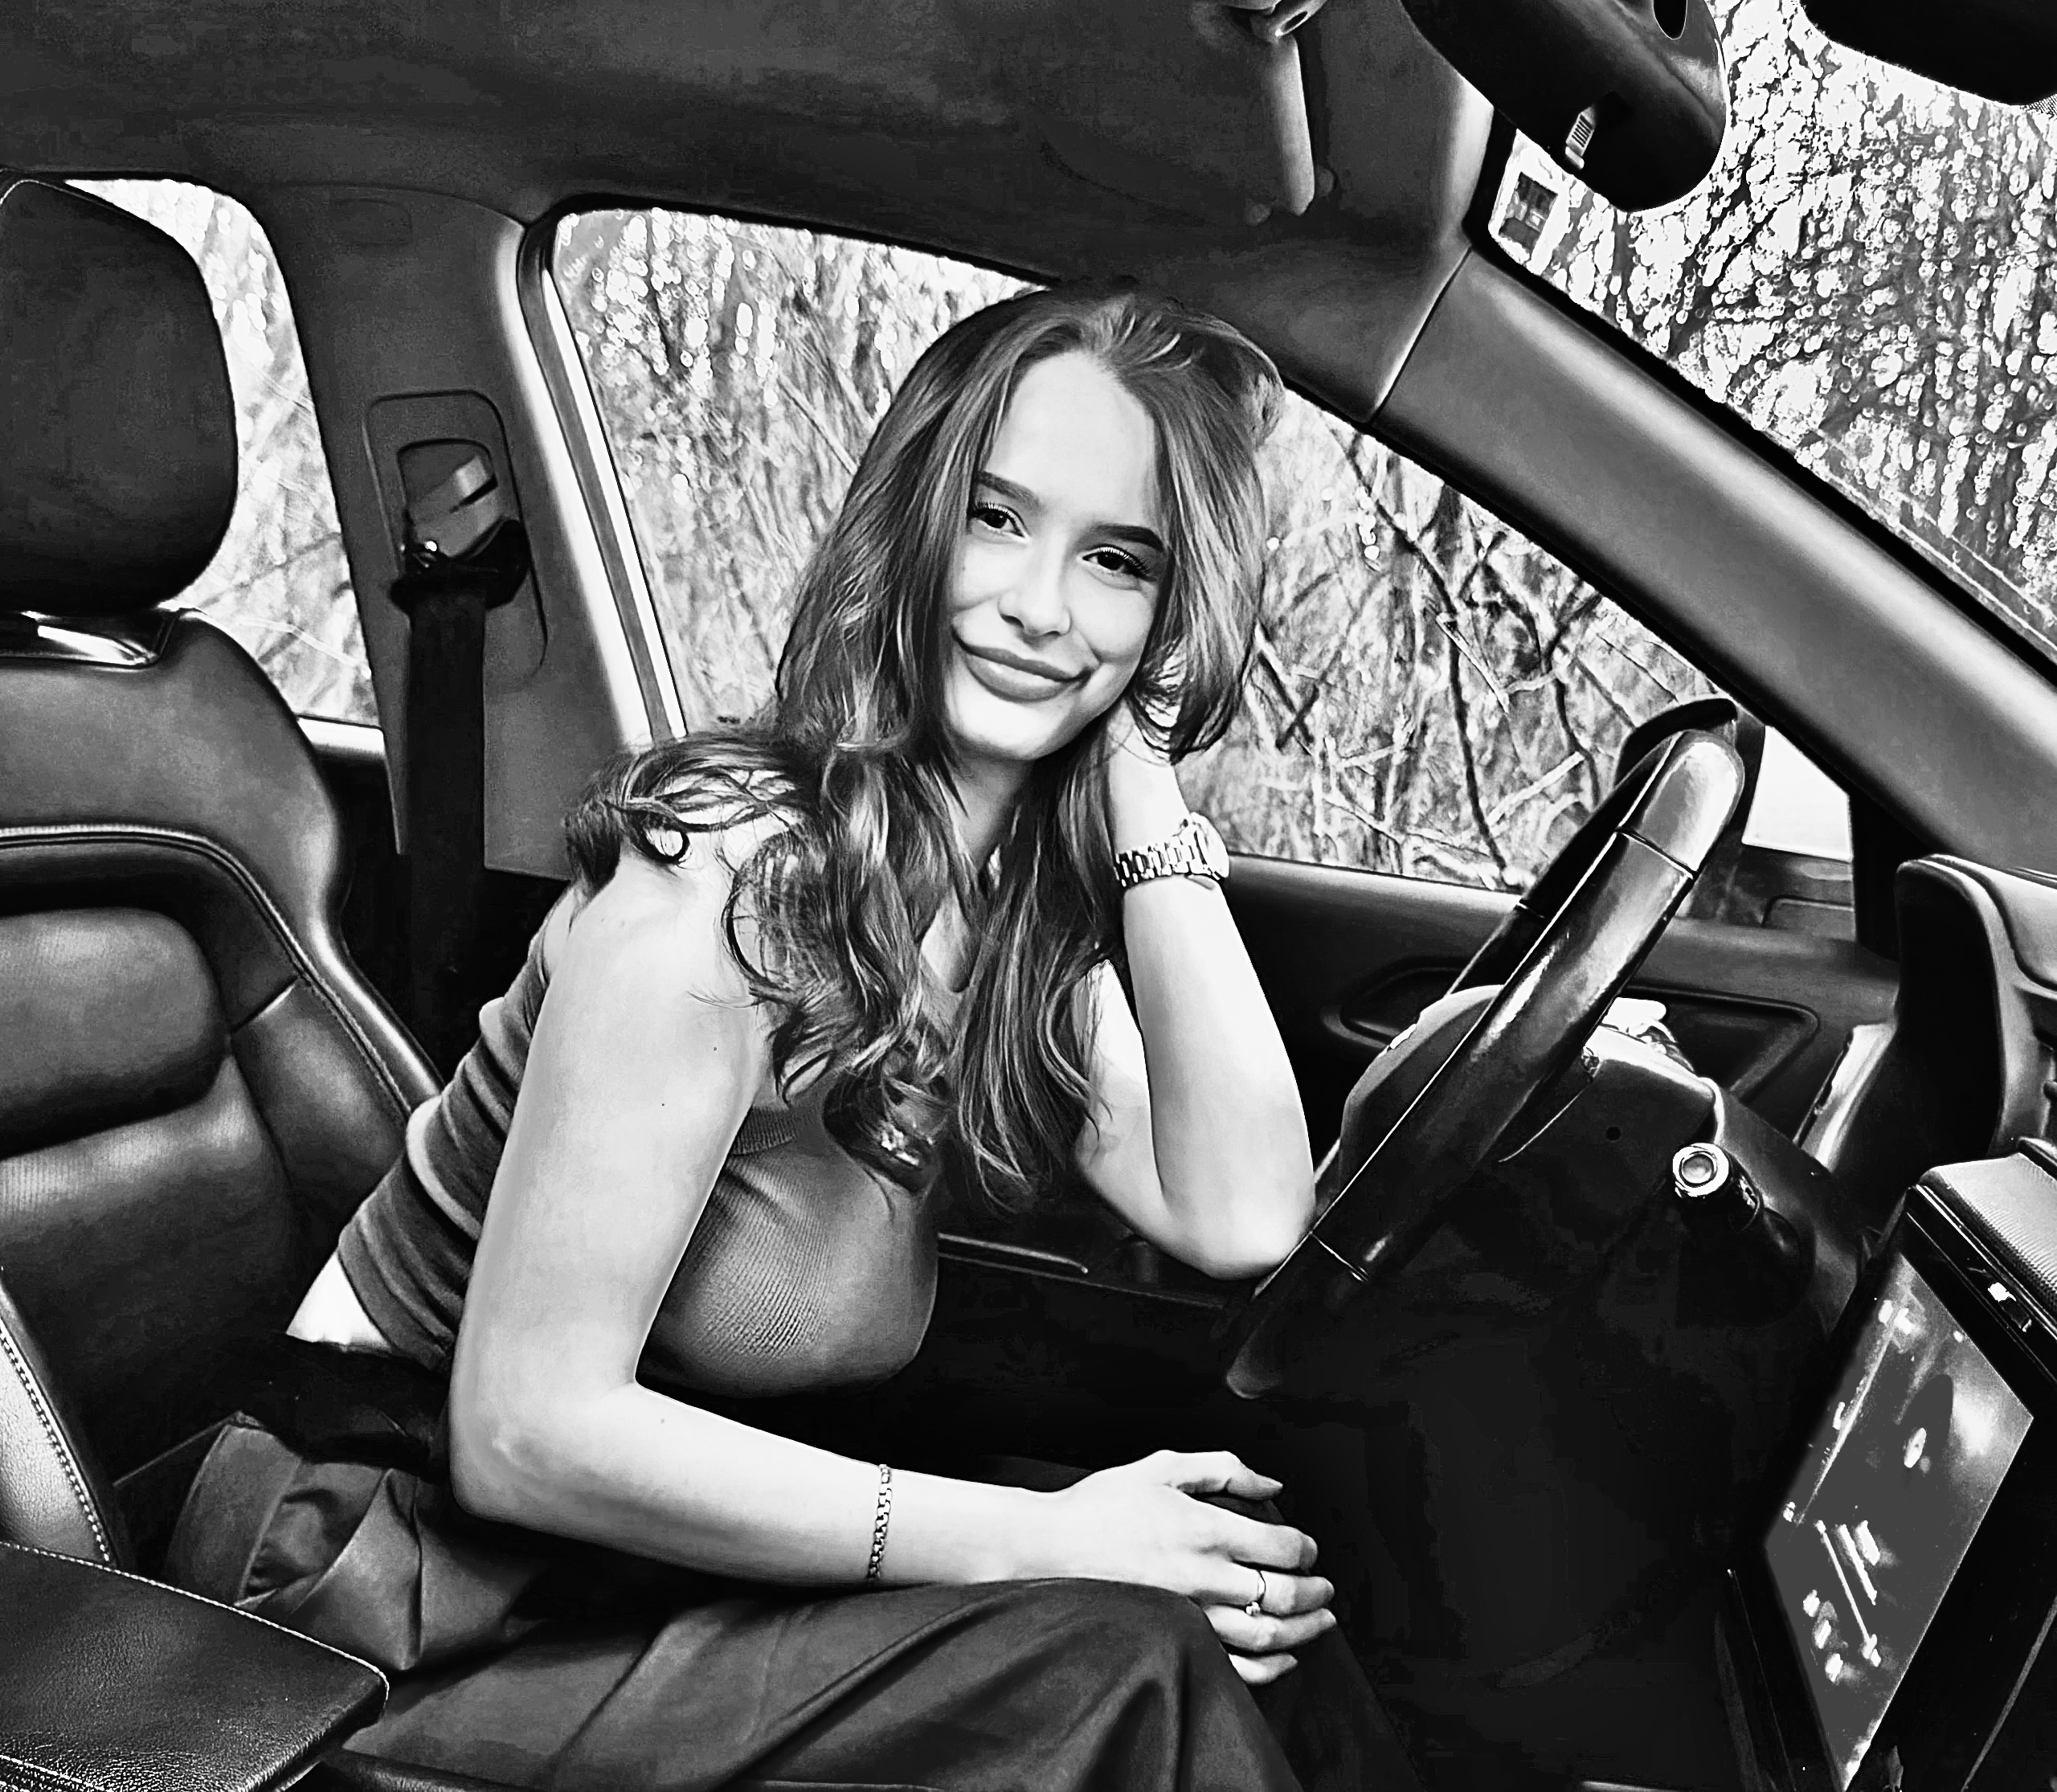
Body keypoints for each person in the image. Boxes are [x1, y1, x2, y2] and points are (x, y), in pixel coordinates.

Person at [167, 283, 1421, 1790]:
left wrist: (1145, 783)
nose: (1042, 604)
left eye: (1118, 561)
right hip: (375, 1594)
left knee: (1238, 1605)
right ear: (912, 532)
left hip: (626, 1564)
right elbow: (522, 1433)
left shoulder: (1006, 920)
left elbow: (1244, 1211)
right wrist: (1044, 1535)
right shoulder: (718, 896)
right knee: (1132, 1655)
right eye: (997, 519)